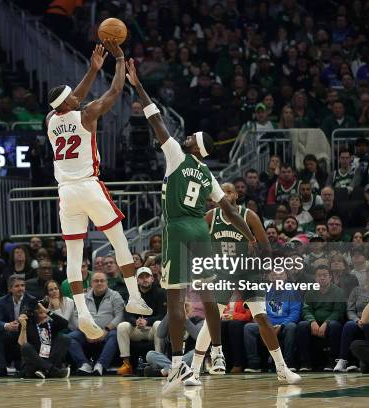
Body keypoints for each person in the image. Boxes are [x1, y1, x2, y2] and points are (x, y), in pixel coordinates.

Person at [126, 60, 255, 394]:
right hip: (201, 229)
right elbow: (231, 210)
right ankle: (218, 352)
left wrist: (138, 85)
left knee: (175, 298)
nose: (182, 137)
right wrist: (251, 235)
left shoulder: (176, 156)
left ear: (195, 147)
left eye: (189, 137)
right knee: (209, 296)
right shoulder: (210, 176)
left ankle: (176, 364)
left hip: (180, 228)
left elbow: (155, 118)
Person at [46, 41, 151, 340]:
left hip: (65, 194)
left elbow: (71, 98)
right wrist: (118, 61)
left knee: (74, 256)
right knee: (119, 242)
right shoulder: (87, 114)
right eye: (71, 98)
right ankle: (133, 296)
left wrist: (92, 70)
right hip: (89, 186)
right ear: (67, 103)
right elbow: (115, 92)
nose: (77, 97)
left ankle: (83, 313)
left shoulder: (50, 121)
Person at [189, 183, 300, 385]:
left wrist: (259, 261)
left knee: (262, 318)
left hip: (249, 272)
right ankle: (194, 372)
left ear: (237, 195)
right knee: (211, 320)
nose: (226, 194)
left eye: (230, 191)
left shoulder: (249, 216)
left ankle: (282, 369)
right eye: (222, 192)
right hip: (223, 273)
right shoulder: (210, 217)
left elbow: (266, 247)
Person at [67, 271, 124, 376]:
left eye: (102, 281)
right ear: (91, 283)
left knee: (115, 335)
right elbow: (76, 317)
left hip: (107, 332)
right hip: (86, 332)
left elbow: (120, 316)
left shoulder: (115, 296)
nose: (99, 283)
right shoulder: (83, 298)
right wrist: (87, 332)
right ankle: (84, 364)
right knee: (69, 338)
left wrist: (106, 330)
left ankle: (100, 365)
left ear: (107, 282)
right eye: (96, 281)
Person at [334, 259, 369, 372]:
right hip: (359, 321)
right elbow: (350, 310)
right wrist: (357, 320)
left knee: (367, 324)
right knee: (349, 325)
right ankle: (343, 360)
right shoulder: (357, 290)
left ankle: (365, 361)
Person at [116, 267, 167, 375]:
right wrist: (135, 321)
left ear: (152, 279)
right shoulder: (132, 294)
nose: (145, 279)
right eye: (141, 277)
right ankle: (126, 364)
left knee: (159, 324)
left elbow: (162, 315)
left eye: (147, 276)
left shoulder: (160, 292)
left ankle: (158, 362)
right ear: (137, 280)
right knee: (122, 326)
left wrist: (147, 321)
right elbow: (127, 314)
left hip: (151, 329)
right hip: (137, 329)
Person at [296, 264, 346, 371]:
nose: (322, 278)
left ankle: (332, 362)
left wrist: (326, 323)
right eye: (319, 275)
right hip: (315, 322)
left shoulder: (338, 292)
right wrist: (312, 321)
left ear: (330, 277)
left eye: (325, 275)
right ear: (315, 278)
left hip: (331, 322)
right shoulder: (310, 293)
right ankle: (305, 362)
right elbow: (306, 309)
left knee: (334, 325)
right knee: (302, 325)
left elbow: (338, 311)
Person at [0, 275, 38, 377]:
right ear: (10, 289)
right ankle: (1, 368)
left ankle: (25, 366)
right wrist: (7, 325)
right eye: (17, 286)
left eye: (22, 285)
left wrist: (22, 325)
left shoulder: (32, 300)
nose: (21, 288)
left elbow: (35, 321)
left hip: (26, 332)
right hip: (10, 331)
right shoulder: (2, 301)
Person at [17, 301, 71, 379]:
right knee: (25, 346)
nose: (42, 312)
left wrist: (48, 312)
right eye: (39, 310)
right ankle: (52, 370)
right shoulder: (28, 324)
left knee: (65, 338)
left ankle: (45, 370)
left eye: (43, 309)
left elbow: (64, 323)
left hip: (50, 360)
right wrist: (23, 326)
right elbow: (22, 345)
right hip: (34, 366)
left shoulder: (50, 324)